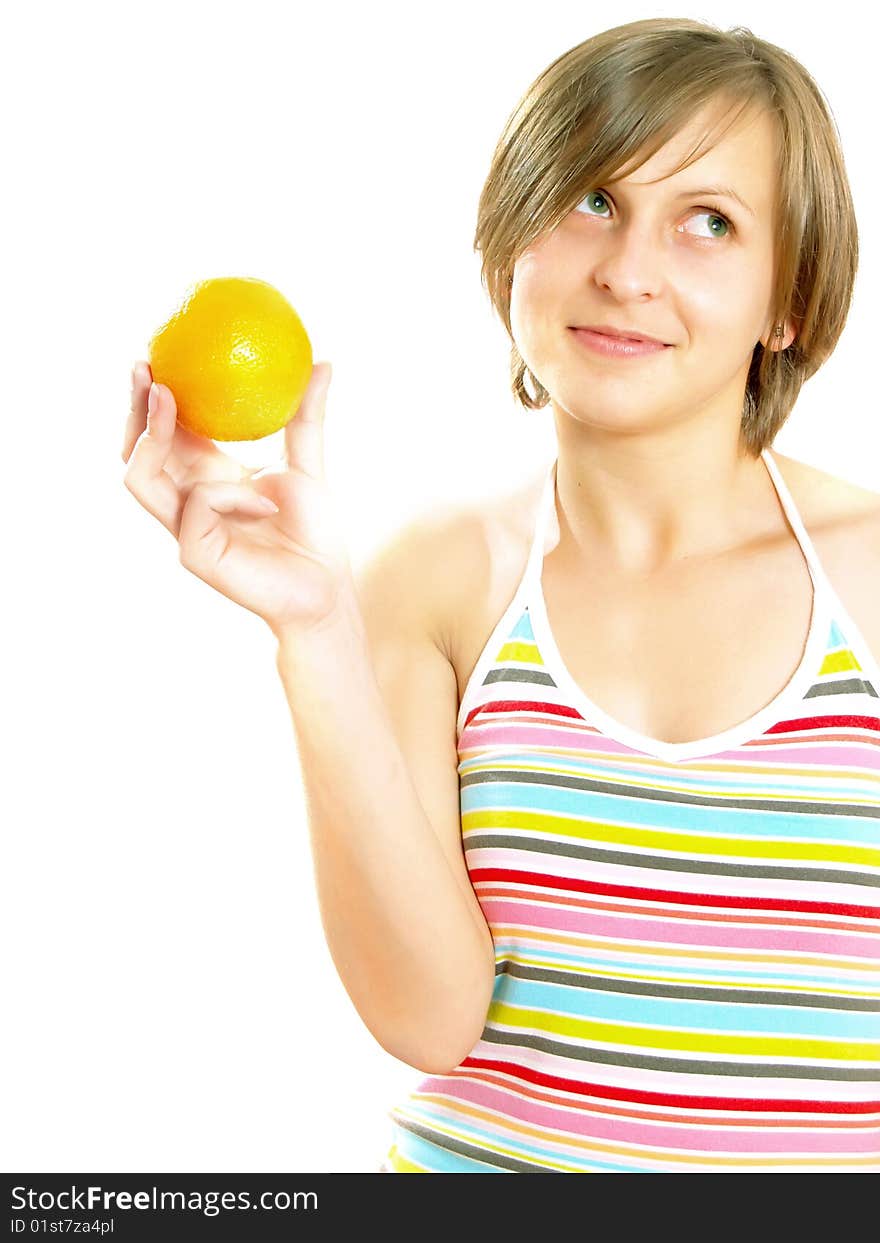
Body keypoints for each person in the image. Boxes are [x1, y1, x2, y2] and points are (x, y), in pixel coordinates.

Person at [122, 16, 880, 1173]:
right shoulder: (434, 579)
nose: (626, 271)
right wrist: (314, 632)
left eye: (709, 223)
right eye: (589, 200)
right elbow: (428, 1021)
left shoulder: (866, 573)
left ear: (789, 300)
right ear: (508, 241)